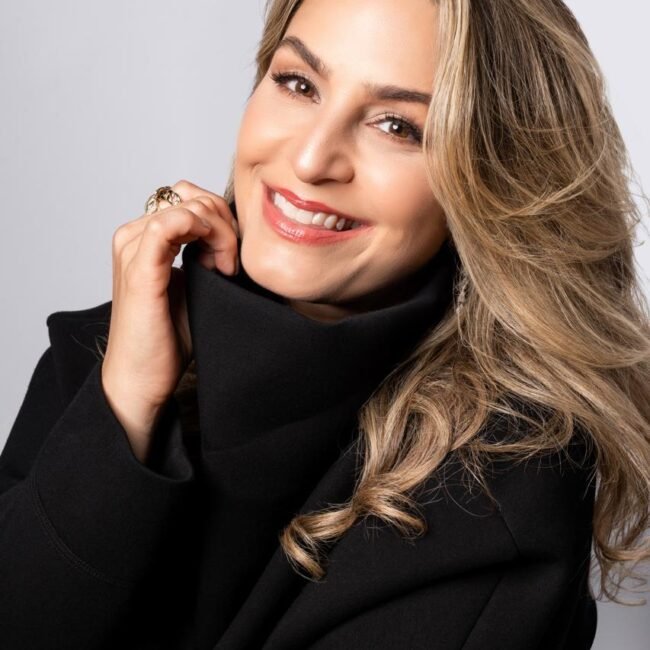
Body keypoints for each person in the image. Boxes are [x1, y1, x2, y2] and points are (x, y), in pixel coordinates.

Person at [1, 0, 649, 648]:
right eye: (299, 83)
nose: (312, 159)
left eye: (397, 125)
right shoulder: (110, 356)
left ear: (494, 180)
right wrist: (124, 405)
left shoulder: (492, 498)